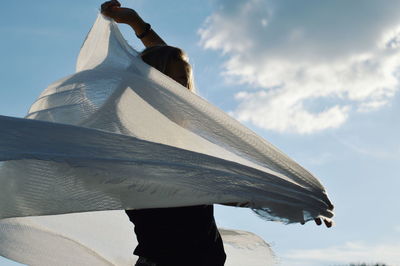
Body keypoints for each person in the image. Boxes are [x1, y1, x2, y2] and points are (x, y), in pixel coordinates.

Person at [101, 1, 226, 266]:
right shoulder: (136, 142)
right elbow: (219, 187)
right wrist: (280, 196)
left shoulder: (181, 131)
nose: (181, 89)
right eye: (173, 82)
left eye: (184, 82)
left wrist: (137, 24)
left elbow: (165, 61)